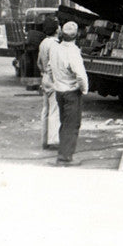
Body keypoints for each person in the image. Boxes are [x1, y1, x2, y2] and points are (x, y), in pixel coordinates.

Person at [48, 21, 88, 166]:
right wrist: (83, 89)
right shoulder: (73, 51)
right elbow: (81, 75)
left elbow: (49, 68)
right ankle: (65, 158)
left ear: (62, 34)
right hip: (71, 92)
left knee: (64, 124)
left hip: (59, 91)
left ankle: (63, 154)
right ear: (76, 34)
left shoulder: (55, 49)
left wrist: (57, 81)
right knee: (72, 125)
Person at [36, 19, 61, 150]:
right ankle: (54, 140)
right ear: (56, 30)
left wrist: (44, 73)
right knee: (55, 109)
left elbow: (39, 62)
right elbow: (55, 64)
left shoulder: (43, 43)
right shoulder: (55, 45)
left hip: (45, 77)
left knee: (45, 110)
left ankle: (44, 140)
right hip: (53, 79)